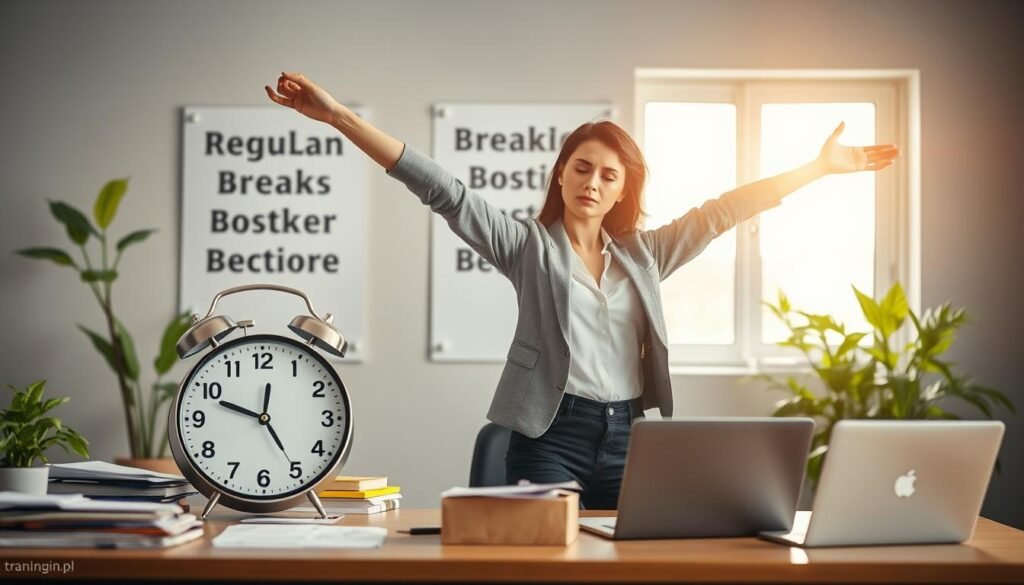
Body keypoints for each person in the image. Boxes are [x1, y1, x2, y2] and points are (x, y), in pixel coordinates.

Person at [265, 72, 899, 510]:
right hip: (549, 436)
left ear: (624, 189)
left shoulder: (645, 256)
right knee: (548, 565)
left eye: (609, 174)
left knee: (632, 567)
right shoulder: (526, 246)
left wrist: (816, 169)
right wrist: (340, 117)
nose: (593, 182)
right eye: (582, 167)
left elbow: (722, 211)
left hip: (629, 437)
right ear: (561, 175)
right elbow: (444, 191)